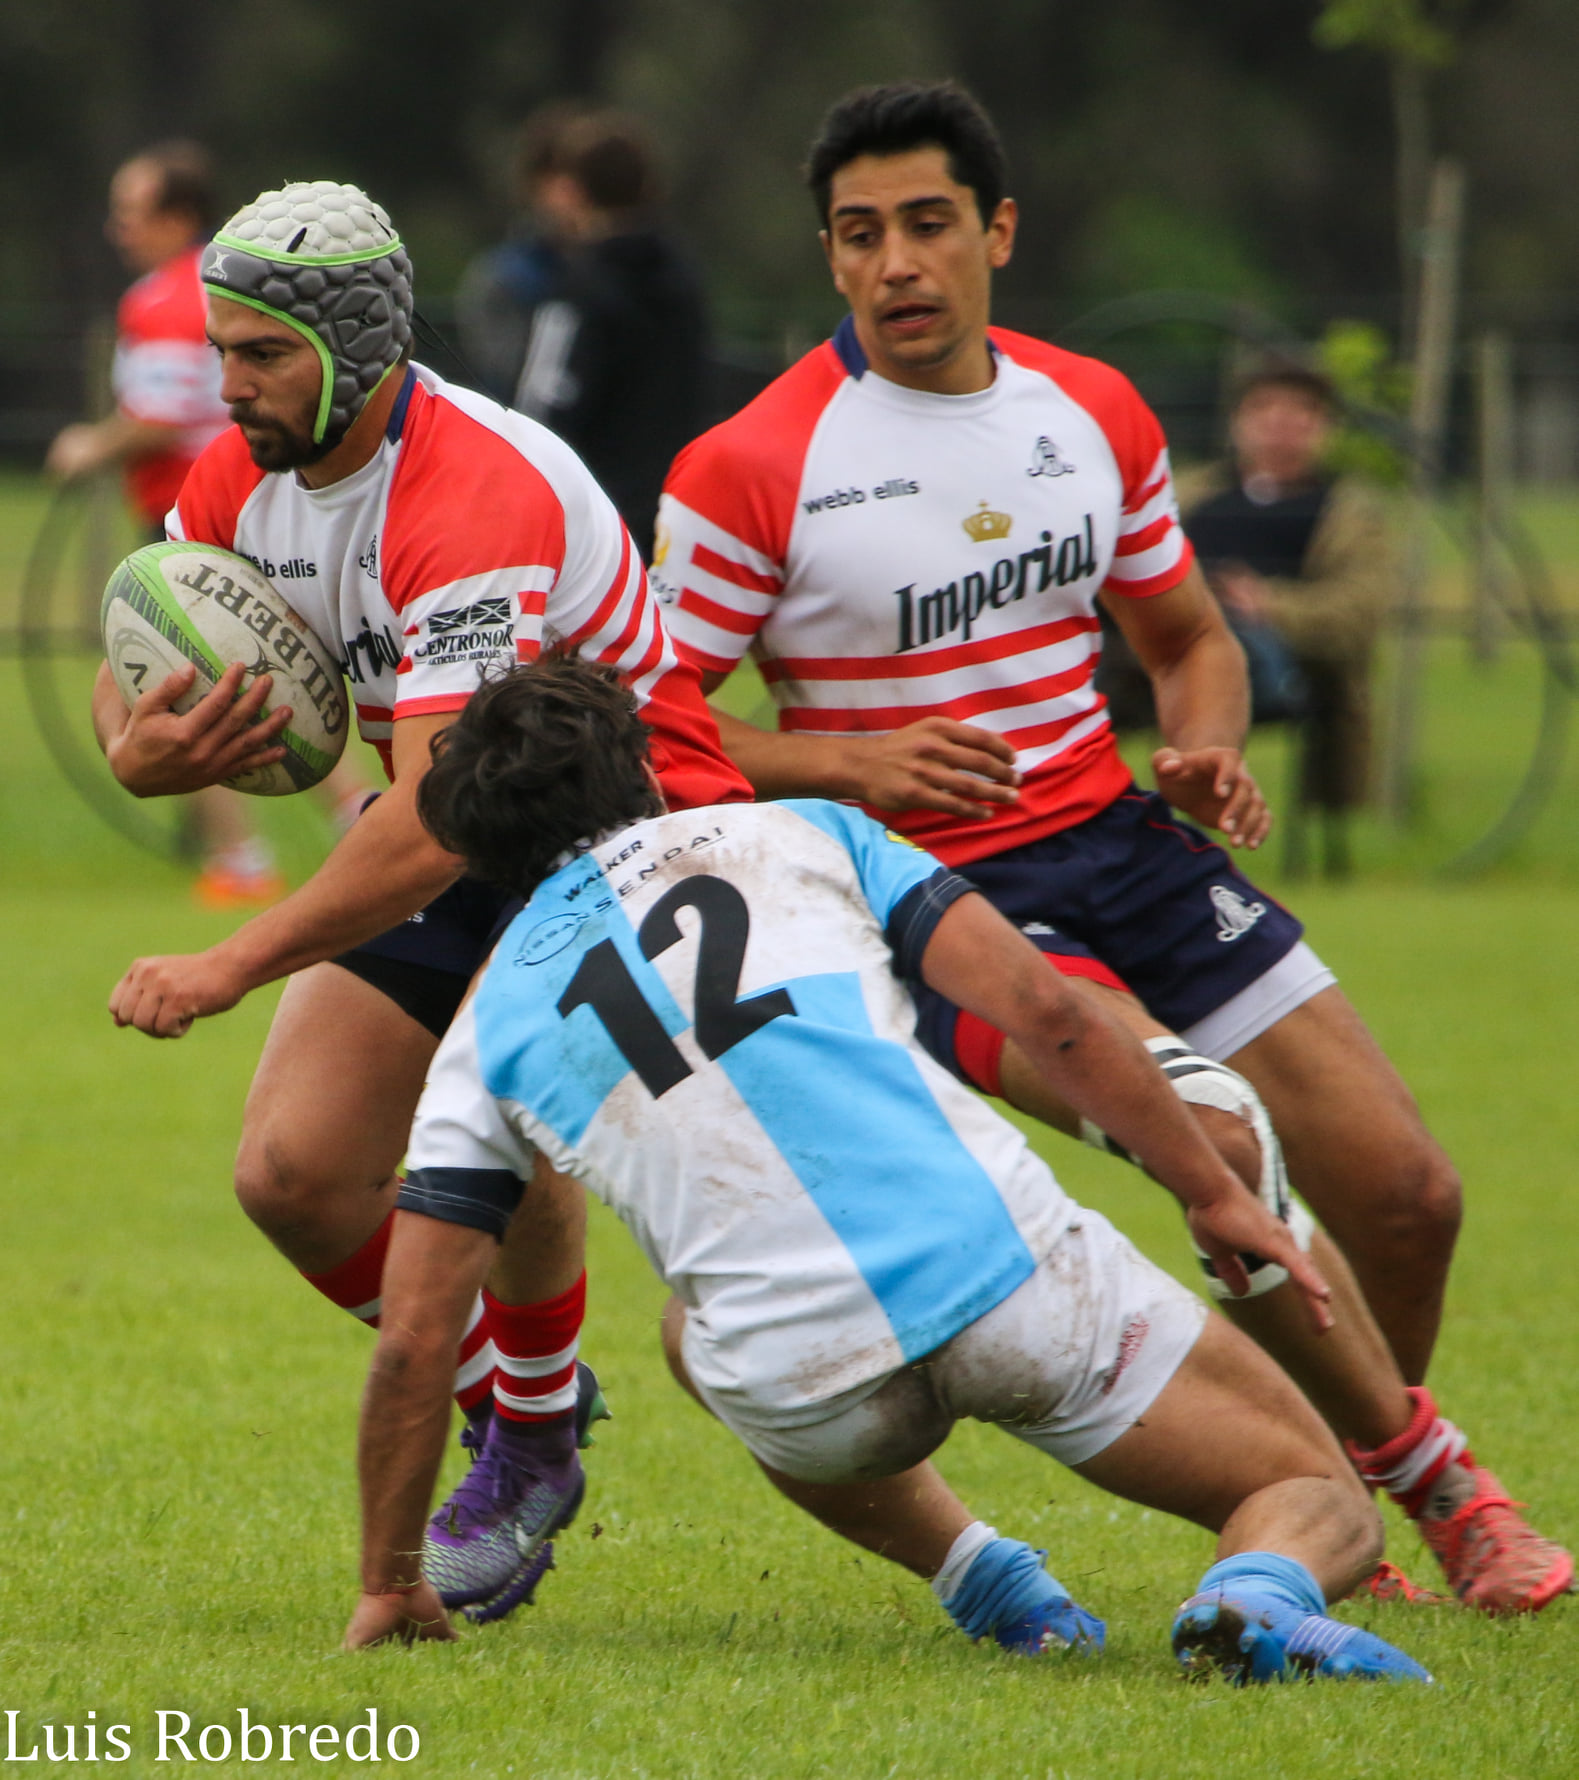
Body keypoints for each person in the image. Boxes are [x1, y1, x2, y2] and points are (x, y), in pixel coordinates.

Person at [652, 81, 1570, 1612]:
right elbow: (654, 725)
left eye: (927, 226)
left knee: (1406, 1193)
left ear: (996, 232)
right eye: (859, 235)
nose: (897, 265)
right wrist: (844, 758)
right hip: (939, 901)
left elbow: (1185, 634)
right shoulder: (751, 463)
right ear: (828, 259)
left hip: (1123, 845)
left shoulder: (1089, 410)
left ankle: (1325, 1486)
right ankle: (1440, 1491)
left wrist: (1202, 739)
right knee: (1210, 1140)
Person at [340, 653, 1429, 1690]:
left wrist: (389, 1582)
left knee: (691, 1330)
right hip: (1006, 1285)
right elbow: (1050, 1012)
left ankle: (987, 1580)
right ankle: (1253, 1595)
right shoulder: (800, 834)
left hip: (802, 1388)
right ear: (642, 766)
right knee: (1311, 1493)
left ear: (474, 846)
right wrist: (1208, 1185)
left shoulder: (481, 1033)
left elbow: (417, 1339)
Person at [93, 179, 751, 1622]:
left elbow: (442, 814)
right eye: (220, 348)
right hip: (449, 828)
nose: (229, 384)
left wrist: (230, 962)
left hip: (635, 845)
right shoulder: (240, 473)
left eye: (261, 353)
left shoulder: (473, 487)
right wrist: (139, 750)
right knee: (291, 1175)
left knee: (731, 1280)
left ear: (356, 347)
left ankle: (986, 1555)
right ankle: (531, 1409)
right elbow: (140, 657)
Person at [46, 141, 308, 907]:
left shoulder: (164, 297)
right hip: (251, 505)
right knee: (288, 669)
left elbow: (158, 417)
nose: (116, 226)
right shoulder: (233, 285)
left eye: (131, 211)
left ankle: (242, 858)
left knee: (165, 679)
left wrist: (90, 445)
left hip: (186, 516)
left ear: (178, 216)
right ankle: (355, 816)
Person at [456, 106, 710, 558]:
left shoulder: (577, 293)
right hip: (674, 516)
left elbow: (540, 413)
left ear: (576, 192)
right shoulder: (685, 283)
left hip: (591, 530)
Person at [1183, 363, 1393, 879]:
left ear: (1325, 429)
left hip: (1286, 664)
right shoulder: (1192, 497)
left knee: (1247, 653)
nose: (1281, 426)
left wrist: (1267, 603)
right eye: (1265, 411)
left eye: (1300, 414)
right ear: (1237, 422)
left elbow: (1358, 610)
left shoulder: (1349, 513)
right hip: (1169, 650)